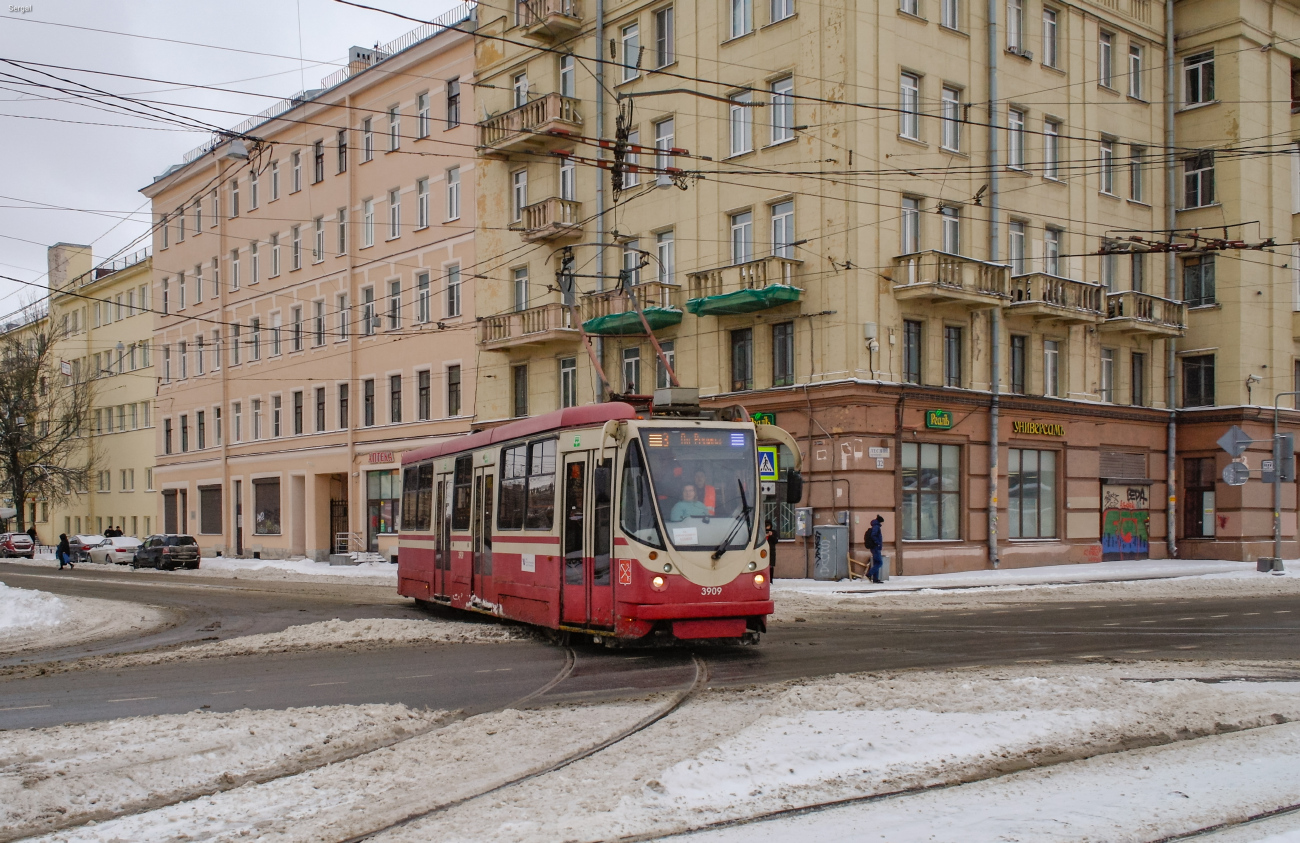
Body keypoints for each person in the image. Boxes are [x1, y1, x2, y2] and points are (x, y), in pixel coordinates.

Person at [865, 515, 885, 583]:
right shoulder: (876, 527)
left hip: (875, 547)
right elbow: (873, 535)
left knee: (876, 563)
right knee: (879, 562)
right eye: (882, 522)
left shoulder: (875, 526)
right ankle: (869, 574)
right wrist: (878, 543)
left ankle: (875, 579)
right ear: (880, 521)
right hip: (876, 547)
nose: (882, 524)